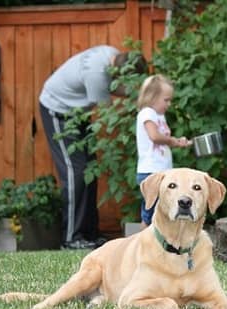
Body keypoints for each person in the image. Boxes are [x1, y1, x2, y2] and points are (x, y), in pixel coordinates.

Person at [39, 45, 147, 249]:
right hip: (58, 111)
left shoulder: (111, 54)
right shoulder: (97, 74)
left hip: (78, 114)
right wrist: (140, 101)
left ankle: (89, 234)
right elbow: (108, 114)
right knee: (76, 174)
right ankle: (71, 238)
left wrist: (139, 93)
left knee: (90, 170)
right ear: (123, 73)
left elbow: (114, 87)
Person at [135, 74, 191, 228]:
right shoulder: (147, 113)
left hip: (161, 172)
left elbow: (162, 138)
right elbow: (154, 136)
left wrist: (176, 142)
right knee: (150, 213)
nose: (169, 104)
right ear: (152, 98)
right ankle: (142, 242)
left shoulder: (158, 115)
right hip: (151, 172)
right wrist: (172, 140)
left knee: (159, 211)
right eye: (166, 100)